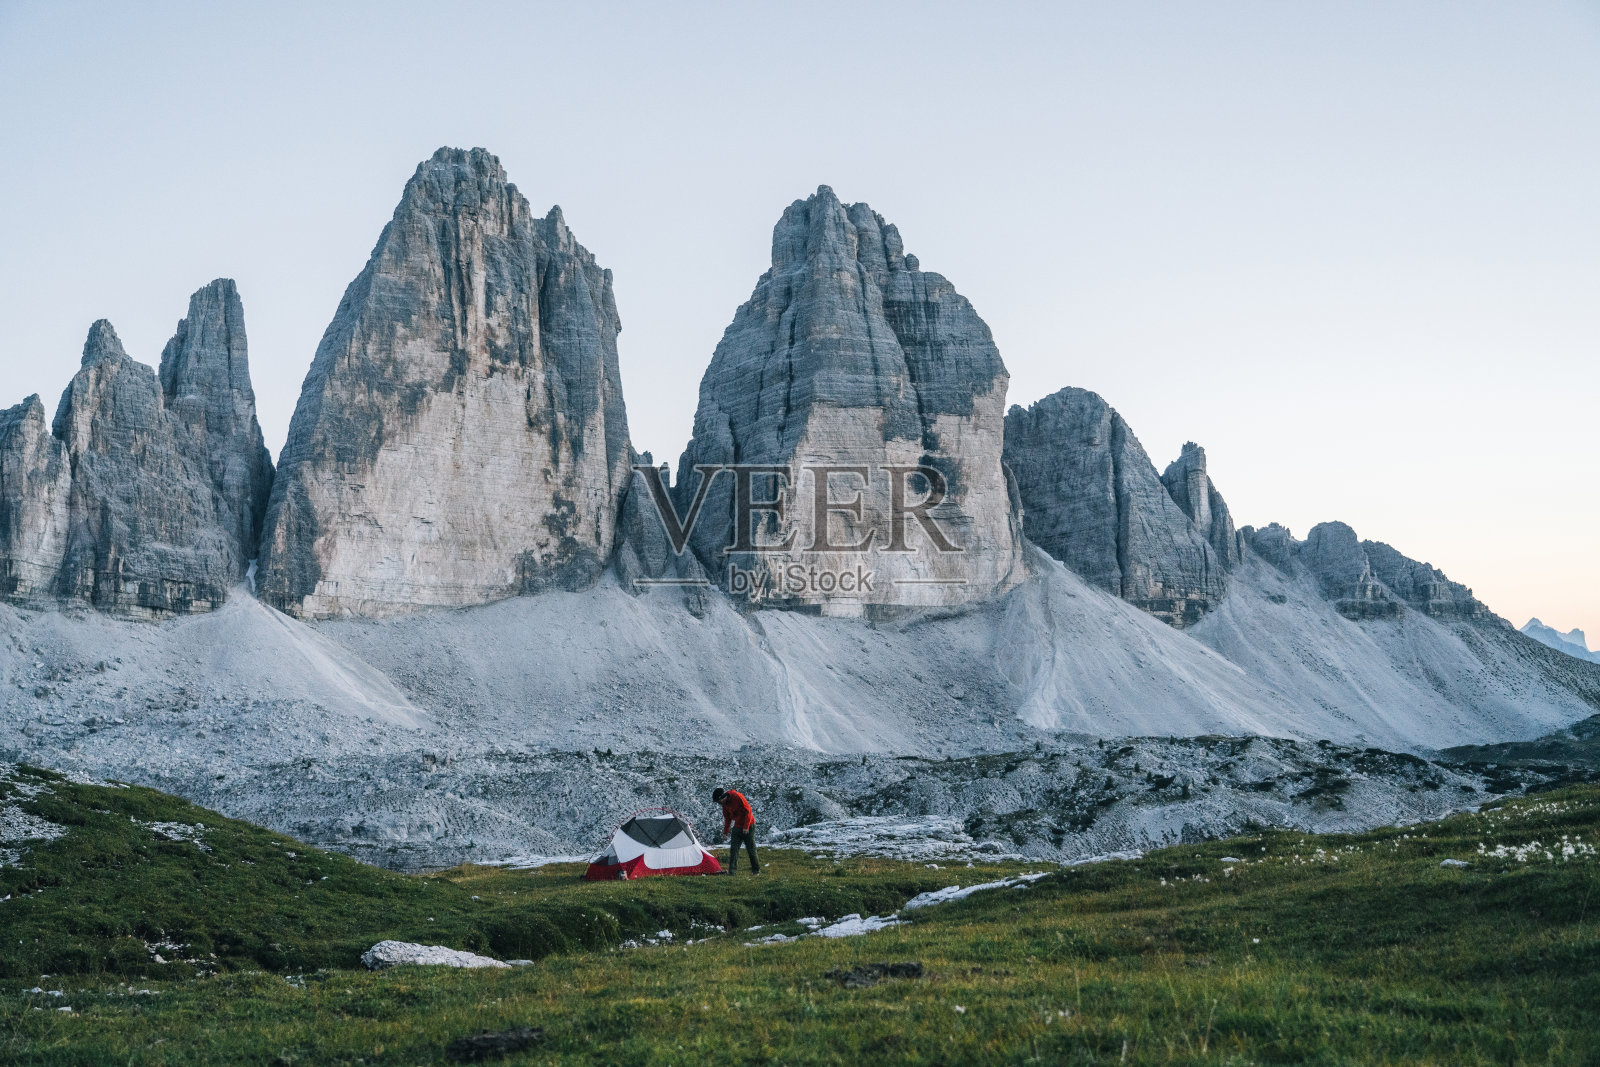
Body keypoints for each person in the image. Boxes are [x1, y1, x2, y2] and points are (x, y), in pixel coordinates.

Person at [712, 787, 759, 875]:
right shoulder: (724, 805)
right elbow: (727, 819)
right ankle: (732, 872)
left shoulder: (737, 796)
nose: (719, 804)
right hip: (737, 826)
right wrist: (725, 832)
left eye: (719, 802)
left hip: (749, 825)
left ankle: (756, 871)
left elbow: (748, 811)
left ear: (723, 797)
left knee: (751, 849)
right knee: (734, 850)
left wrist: (746, 827)